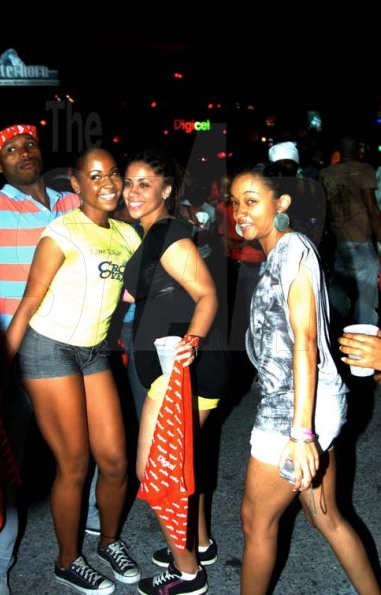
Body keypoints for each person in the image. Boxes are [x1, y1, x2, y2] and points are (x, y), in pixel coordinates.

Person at [229, 163, 380, 595]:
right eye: (235, 202)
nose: (240, 211)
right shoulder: (279, 252)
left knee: (256, 522)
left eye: (251, 201)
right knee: (325, 515)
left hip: (294, 411)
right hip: (313, 402)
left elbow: (305, 341)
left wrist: (301, 432)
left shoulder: (292, 248)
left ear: (282, 204)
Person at [5, 148, 141, 594]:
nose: (108, 182)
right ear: (77, 186)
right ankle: (67, 560)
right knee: (75, 463)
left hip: (93, 351)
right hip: (48, 349)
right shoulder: (61, 231)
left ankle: (109, 540)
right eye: (95, 176)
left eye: (113, 174)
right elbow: (27, 306)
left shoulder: (127, 234)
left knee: (117, 462)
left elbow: (140, 287)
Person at [122, 148, 231, 595]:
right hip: (184, 364)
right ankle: (198, 544)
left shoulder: (169, 234)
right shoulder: (153, 232)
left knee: (155, 468)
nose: (132, 191)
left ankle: (187, 574)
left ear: (166, 190)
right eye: (128, 182)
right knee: (183, 458)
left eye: (144, 183)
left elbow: (207, 295)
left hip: (182, 367)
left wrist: (188, 347)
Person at [0, 123, 79, 595]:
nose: (24, 152)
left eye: (30, 145)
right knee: (8, 466)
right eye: (10, 150)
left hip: (74, 349)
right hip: (14, 357)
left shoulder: (70, 203)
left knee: (87, 452)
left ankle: (94, 533)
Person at [319, 136, 381, 327]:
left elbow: (324, 209)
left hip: (339, 240)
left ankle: (331, 327)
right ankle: (363, 334)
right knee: (367, 292)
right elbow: (371, 207)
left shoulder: (325, 173)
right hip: (360, 240)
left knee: (338, 287)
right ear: (357, 151)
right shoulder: (364, 170)